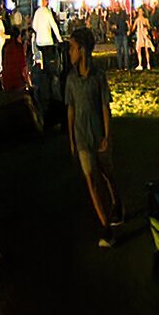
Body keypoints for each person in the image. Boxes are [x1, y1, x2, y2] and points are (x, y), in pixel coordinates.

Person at [63, 28, 119, 248]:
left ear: (82, 50)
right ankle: (106, 228)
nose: (69, 53)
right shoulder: (71, 80)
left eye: (72, 48)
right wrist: (71, 139)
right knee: (91, 181)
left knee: (107, 174)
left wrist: (107, 133)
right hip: (82, 136)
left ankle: (117, 203)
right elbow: (71, 109)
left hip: (97, 133)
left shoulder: (98, 77)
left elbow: (105, 106)